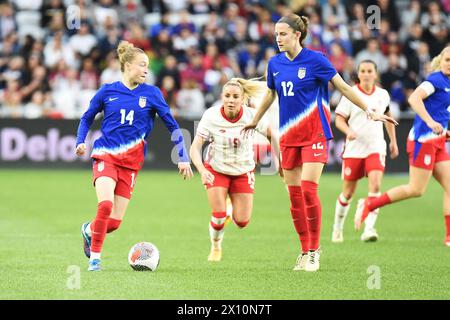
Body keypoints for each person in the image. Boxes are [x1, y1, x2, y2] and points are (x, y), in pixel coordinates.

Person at [242, 14, 397, 272]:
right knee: (294, 197)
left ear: (297, 35)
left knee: (308, 190)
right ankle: (303, 251)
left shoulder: (317, 60)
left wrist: (369, 109)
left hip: (314, 133)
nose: (278, 38)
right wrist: (255, 119)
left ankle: (314, 251)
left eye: (282, 34)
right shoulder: (274, 64)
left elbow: (345, 88)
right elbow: (270, 93)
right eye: (276, 34)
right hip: (289, 136)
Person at [75, 41, 193, 271]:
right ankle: (95, 260)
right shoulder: (107, 91)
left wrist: (183, 155)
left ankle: (89, 230)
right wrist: (81, 141)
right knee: (105, 205)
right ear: (127, 65)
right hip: (105, 155)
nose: (146, 70)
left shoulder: (152, 94)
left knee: (115, 223)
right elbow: (87, 117)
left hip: (130, 163)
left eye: (147, 66)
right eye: (141, 65)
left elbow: (172, 125)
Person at [355, 46, 450, 246]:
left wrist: (444, 130)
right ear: (440, 61)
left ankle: (449, 237)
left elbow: (442, 110)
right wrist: (431, 122)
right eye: (446, 59)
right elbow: (413, 98)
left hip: (438, 142)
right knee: (416, 189)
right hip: (422, 142)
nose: (448, 63)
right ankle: (370, 204)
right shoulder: (435, 80)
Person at [190, 78, 280, 262]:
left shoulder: (252, 115)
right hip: (216, 169)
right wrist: (201, 169)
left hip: (243, 171)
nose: (231, 100)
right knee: (218, 215)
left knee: (242, 222)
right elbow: (195, 147)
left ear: (243, 98)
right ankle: (215, 247)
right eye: (227, 96)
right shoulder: (211, 115)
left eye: (235, 97)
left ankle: (231, 208)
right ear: (222, 97)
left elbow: (273, 135)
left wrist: (280, 162)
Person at [332, 60, 399, 244]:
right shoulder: (350, 94)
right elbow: (339, 120)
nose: (366, 74)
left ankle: (369, 229)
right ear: (358, 74)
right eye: (363, 71)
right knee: (347, 193)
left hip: (376, 146)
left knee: (375, 186)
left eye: (370, 70)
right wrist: (348, 132)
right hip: (354, 149)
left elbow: (387, 117)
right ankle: (337, 228)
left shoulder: (383, 94)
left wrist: (393, 141)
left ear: (375, 74)